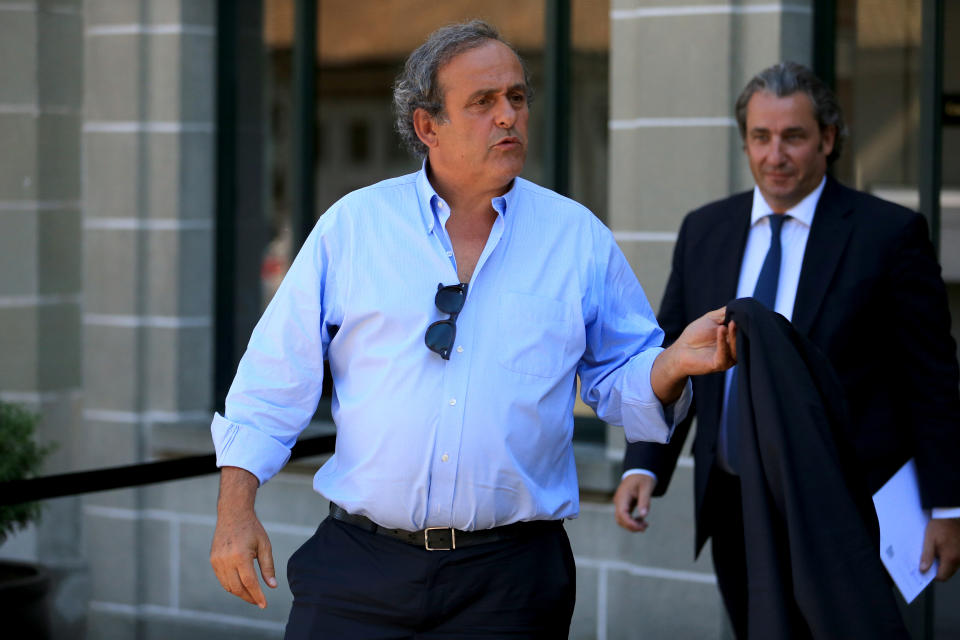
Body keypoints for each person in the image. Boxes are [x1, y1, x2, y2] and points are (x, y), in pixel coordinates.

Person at [209, 20, 735, 639]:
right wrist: (235, 511)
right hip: (359, 570)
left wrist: (670, 366)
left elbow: (622, 381)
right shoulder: (354, 228)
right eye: (483, 102)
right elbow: (273, 379)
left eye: (516, 97)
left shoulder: (576, 238)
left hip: (510, 583)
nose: (508, 116)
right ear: (428, 126)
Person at [614, 61, 960, 637]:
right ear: (746, 141)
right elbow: (671, 354)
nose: (776, 154)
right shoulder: (705, 230)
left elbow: (931, 381)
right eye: (761, 137)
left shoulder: (888, 235)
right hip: (733, 503)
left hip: (841, 507)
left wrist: (947, 507)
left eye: (793, 136)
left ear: (827, 139)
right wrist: (645, 464)